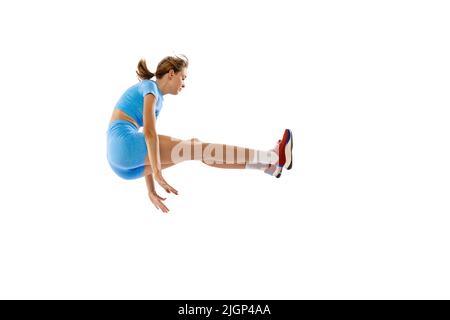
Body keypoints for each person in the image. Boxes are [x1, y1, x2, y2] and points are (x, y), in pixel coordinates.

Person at [107, 55, 293, 213]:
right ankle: (274, 157)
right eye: (184, 77)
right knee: (198, 148)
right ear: (172, 74)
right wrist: (157, 173)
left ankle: (266, 165)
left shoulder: (156, 96)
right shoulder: (150, 88)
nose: (184, 84)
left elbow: (147, 147)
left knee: (195, 149)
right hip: (123, 145)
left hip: (122, 164)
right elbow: (149, 133)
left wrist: (151, 190)